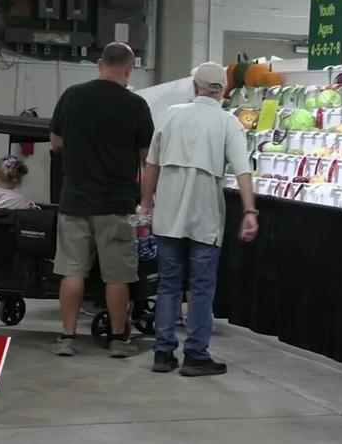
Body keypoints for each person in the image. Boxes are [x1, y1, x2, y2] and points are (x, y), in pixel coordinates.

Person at [141, 61, 258, 377]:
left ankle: (163, 353)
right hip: (205, 214)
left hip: (168, 212)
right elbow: (243, 171)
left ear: (195, 87)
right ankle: (195, 355)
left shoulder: (171, 114)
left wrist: (145, 204)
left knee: (168, 285)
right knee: (201, 286)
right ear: (224, 90)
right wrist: (249, 211)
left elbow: (151, 166)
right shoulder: (227, 122)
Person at [49, 42, 154, 358]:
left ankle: (67, 337)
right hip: (117, 204)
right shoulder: (136, 105)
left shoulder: (72, 96)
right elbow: (147, 158)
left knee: (72, 271)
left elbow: (56, 143)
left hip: (75, 200)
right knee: (117, 275)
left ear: (100, 63)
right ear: (129, 69)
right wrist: (147, 202)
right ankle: (119, 339)